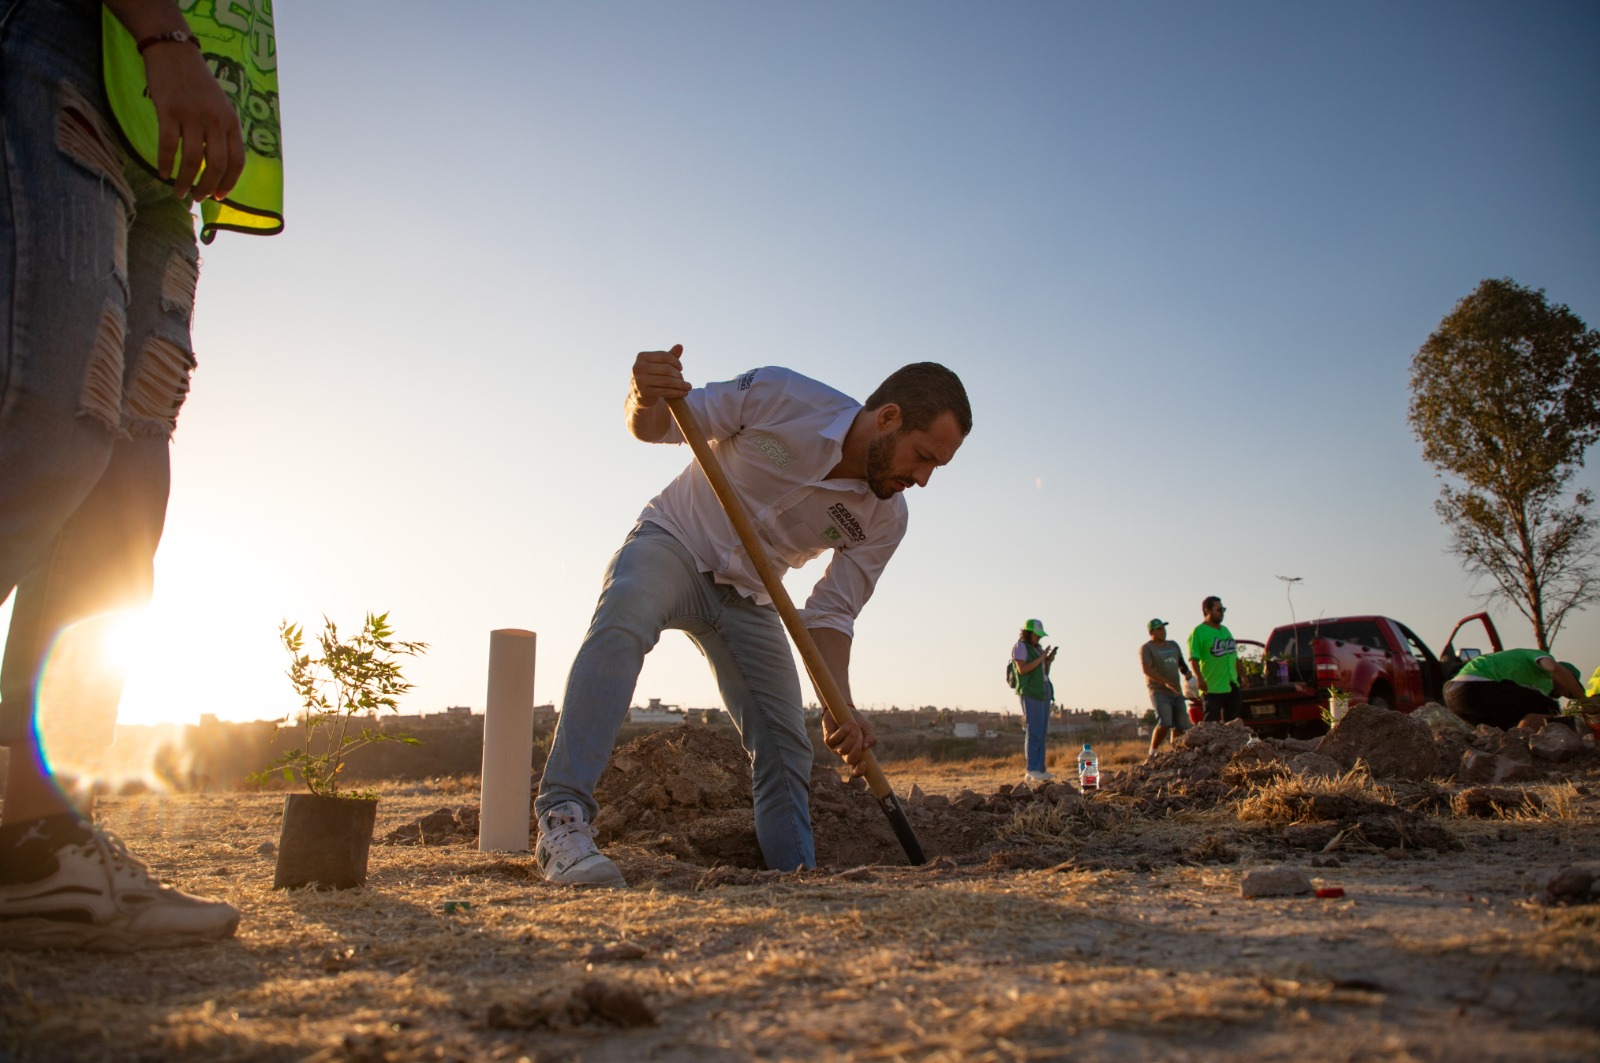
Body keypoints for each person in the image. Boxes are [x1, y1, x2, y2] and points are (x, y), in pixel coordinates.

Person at [0, 0, 254, 950]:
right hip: (73, 44)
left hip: (166, 142)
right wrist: (165, 40)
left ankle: (37, 839)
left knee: (129, 474)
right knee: (46, 418)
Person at [533, 346, 972, 887]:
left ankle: (797, 880)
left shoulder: (885, 519)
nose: (924, 479)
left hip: (752, 597)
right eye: (923, 457)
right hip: (675, 542)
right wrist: (644, 395)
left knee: (787, 741)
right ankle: (563, 824)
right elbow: (658, 425)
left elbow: (832, 614)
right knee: (625, 614)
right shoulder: (783, 395)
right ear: (888, 418)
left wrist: (841, 707)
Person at [1443, 648, 1587, 730]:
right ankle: (1521, 745)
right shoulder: (1543, 659)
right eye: (1567, 690)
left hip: (1453, 695)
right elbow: (1552, 667)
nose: (1564, 695)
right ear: (1566, 676)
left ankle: (1505, 752)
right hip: (1474, 684)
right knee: (1549, 708)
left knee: (1503, 728)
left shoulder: (1538, 685)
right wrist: (1585, 701)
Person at [1011, 619, 1057, 783]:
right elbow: (1022, 669)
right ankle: (1032, 769)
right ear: (1028, 633)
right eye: (1036, 635)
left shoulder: (1036, 649)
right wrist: (1041, 658)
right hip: (1031, 691)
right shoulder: (1021, 647)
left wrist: (1047, 660)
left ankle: (1041, 769)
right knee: (1034, 730)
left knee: (1042, 731)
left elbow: (1041, 670)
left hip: (1043, 688)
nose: (1038, 639)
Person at [1140, 618, 1193, 755]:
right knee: (1165, 722)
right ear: (1151, 632)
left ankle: (1175, 753)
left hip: (1176, 690)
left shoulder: (1173, 645)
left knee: (1180, 724)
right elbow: (1147, 669)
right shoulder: (1147, 648)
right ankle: (1153, 751)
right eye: (1159, 629)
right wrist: (1165, 682)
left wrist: (1186, 673)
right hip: (1159, 690)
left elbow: (1180, 662)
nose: (1162, 632)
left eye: (1163, 629)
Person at [1188, 596, 1243, 723]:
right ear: (1207, 610)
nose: (1222, 613)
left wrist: (1243, 676)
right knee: (1211, 722)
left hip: (1231, 683)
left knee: (1232, 722)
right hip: (1211, 686)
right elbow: (1193, 659)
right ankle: (1208, 743)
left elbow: (1234, 656)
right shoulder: (1198, 632)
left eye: (1223, 609)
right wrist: (1199, 679)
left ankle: (1230, 743)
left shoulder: (1225, 630)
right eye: (1219, 610)